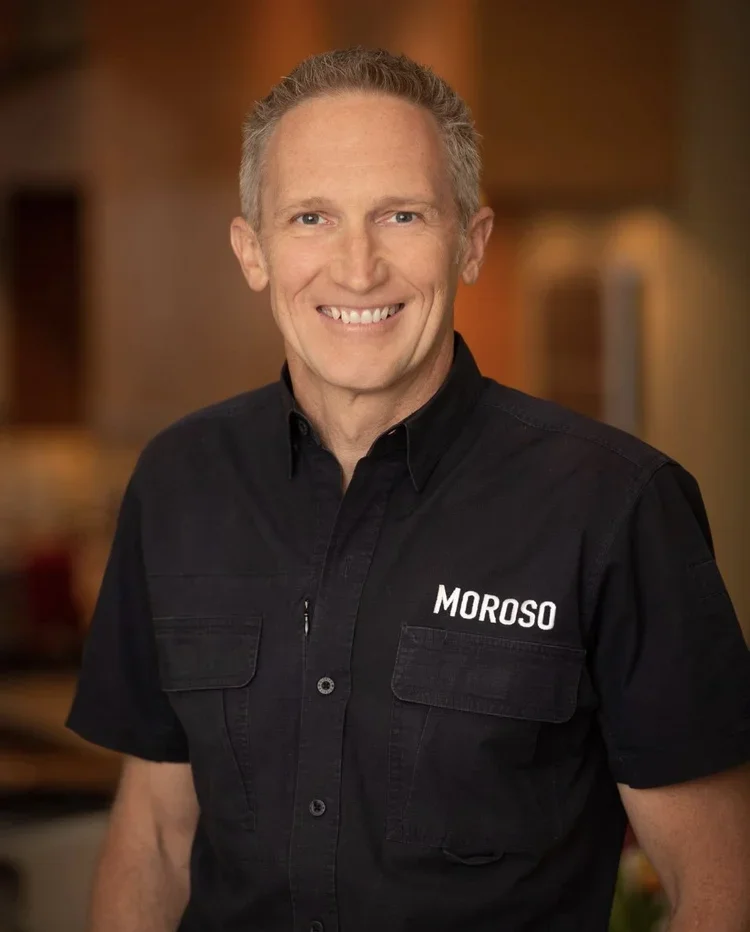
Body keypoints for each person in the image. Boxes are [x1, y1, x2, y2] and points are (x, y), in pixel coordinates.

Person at [66, 47, 750, 932]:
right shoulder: (178, 481)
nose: (357, 268)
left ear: (469, 242)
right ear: (253, 251)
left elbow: (722, 879)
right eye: (311, 217)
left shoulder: (616, 505)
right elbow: (156, 836)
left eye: (401, 214)